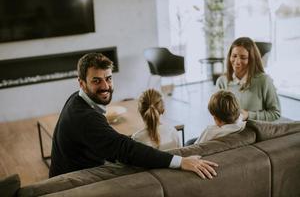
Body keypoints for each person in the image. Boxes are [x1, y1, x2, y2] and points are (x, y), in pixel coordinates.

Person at [49, 53, 218, 179]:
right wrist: (181, 161)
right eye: (96, 81)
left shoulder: (76, 98)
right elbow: (125, 148)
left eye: (108, 78)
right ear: (82, 83)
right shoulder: (84, 117)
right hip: (74, 184)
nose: (105, 86)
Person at [216, 37, 281, 121]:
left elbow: (275, 113)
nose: (237, 61)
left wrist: (248, 115)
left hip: (256, 132)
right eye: (234, 56)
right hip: (229, 131)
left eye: (243, 57)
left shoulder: (264, 81)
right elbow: (217, 113)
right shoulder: (222, 81)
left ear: (252, 60)